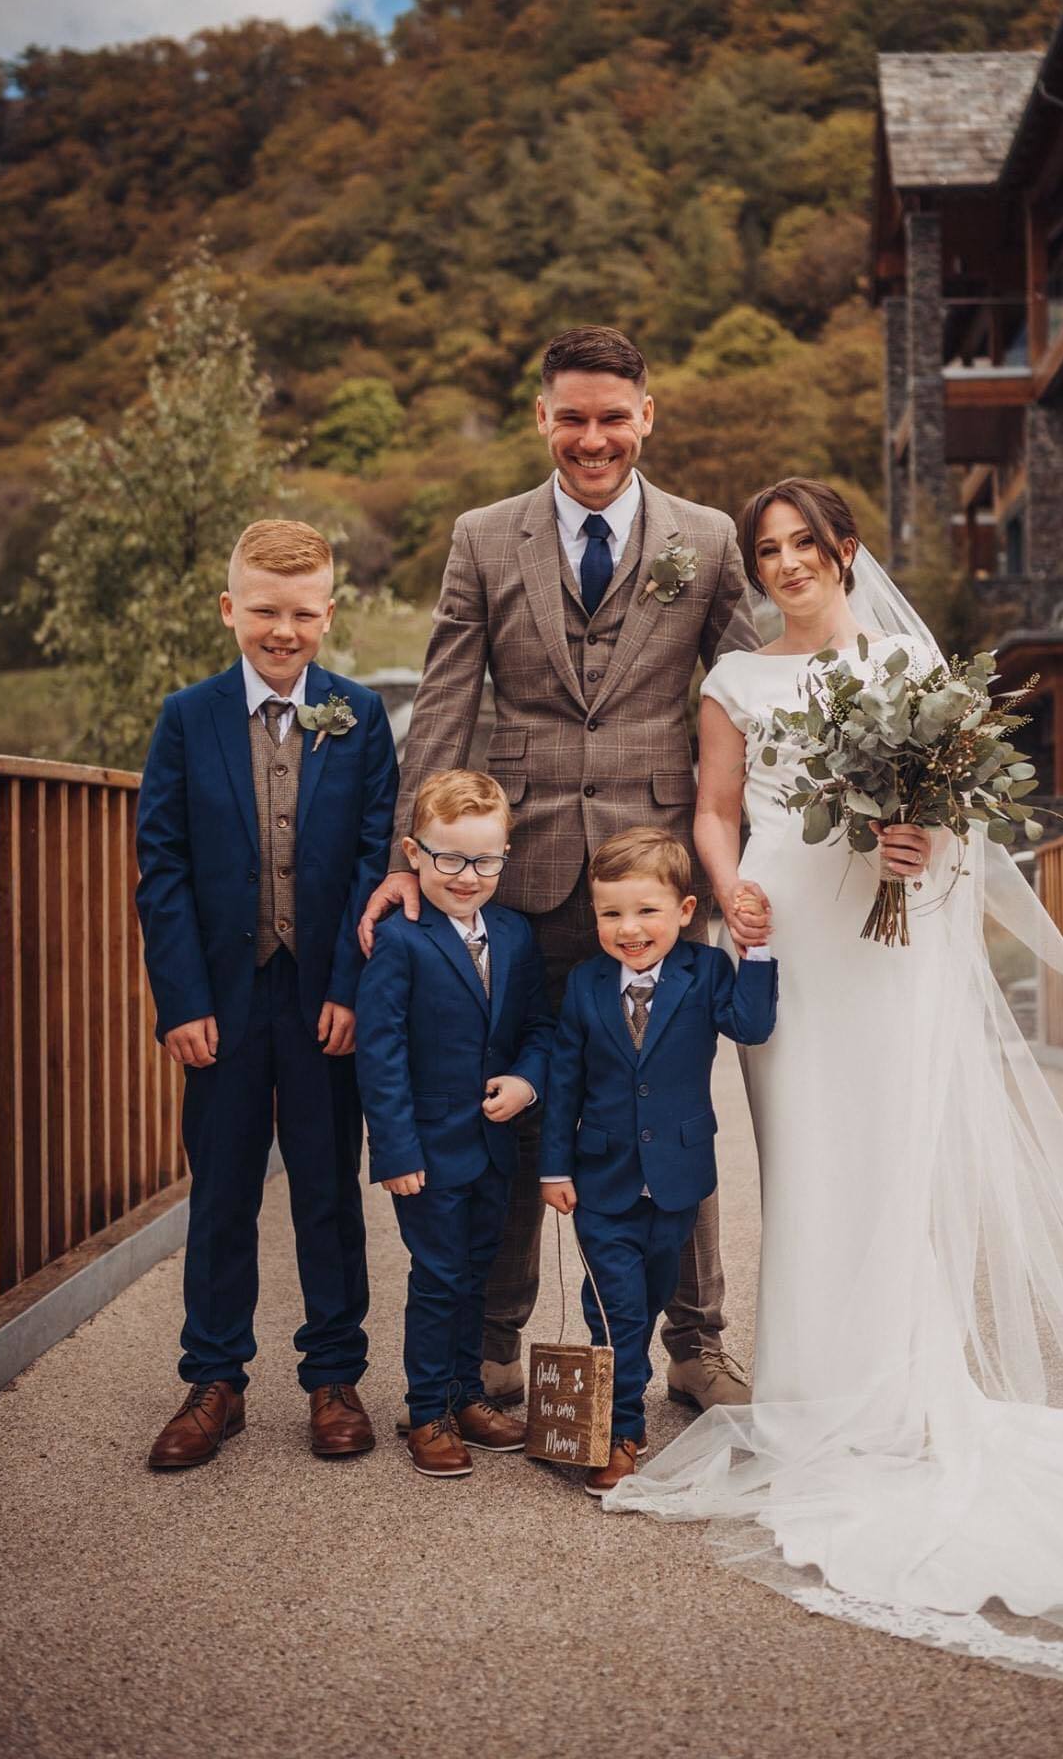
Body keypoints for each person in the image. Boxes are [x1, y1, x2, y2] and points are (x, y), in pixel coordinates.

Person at [608, 478, 1063, 1718]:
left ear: (846, 548)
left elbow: (959, 827)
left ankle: (901, 1395)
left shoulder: (912, 665)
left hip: (889, 946)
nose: (788, 563)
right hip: (789, 931)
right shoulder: (734, 682)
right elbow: (713, 806)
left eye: (807, 543)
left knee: (892, 1155)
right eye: (768, 550)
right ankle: (806, 1399)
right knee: (805, 1161)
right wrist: (728, 885)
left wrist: (927, 846)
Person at [359, 324, 768, 1415]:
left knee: (671, 1104)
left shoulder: (709, 536)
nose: (594, 438)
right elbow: (445, 698)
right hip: (518, 872)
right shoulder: (485, 538)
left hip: (657, 874)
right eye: (573, 417)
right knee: (516, 1105)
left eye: (614, 416)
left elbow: (756, 692)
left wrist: (822, 823)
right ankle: (495, 1346)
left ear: (648, 415)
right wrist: (414, 853)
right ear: (543, 418)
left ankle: (698, 1342)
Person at [136, 519, 398, 1469]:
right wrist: (181, 1000)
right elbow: (160, 866)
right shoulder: (186, 716)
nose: (281, 631)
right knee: (223, 1189)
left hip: (324, 992)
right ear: (229, 609)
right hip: (224, 994)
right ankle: (214, 1379)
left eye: (300, 613)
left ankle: (334, 1374)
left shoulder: (361, 717)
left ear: (328, 612)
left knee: (328, 1190)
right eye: (262, 612)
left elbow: (377, 857)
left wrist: (354, 987)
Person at [539, 827, 777, 1495]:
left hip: (678, 1181)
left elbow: (751, 1027)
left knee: (647, 1296)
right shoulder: (586, 985)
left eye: (646, 910)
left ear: (685, 911)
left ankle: (642, 1390)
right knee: (614, 1310)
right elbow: (565, 1082)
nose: (629, 927)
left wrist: (755, 954)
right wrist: (554, 1167)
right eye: (611, 913)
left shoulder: (707, 972)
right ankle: (619, 1430)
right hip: (600, 1179)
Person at [355, 770, 553, 1479]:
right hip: (429, 1153)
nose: (467, 876)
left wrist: (529, 1080)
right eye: (449, 858)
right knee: (437, 1277)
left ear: (506, 857)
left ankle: (468, 1394)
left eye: (485, 860)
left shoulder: (515, 933)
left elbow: (537, 1025)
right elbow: (380, 1055)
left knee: (477, 1274)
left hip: (493, 1147)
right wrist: (395, 1150)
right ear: (413, 853)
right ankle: (428, 1409)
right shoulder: (401, 942)